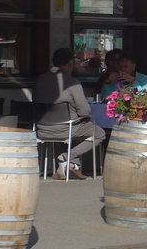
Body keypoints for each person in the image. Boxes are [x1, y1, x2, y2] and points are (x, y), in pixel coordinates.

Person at [32, 47, 107, 179]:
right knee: (99, 133)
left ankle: (70, 165)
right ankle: (67, 157)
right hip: (66, 129)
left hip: (41, 129)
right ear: (70, 64)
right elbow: (85, 111)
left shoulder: (40, 80)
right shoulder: (72, 83)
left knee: (72, 127)